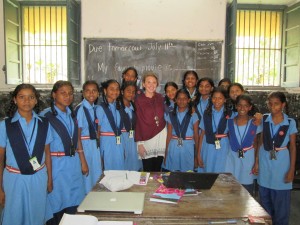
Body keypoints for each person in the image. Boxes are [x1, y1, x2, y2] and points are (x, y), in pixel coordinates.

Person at [0, 84, 53, 225]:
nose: (27, 101)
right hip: (14, 179)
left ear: (36, 100)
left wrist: (49, 179)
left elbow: (47, 154)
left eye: (31, 97)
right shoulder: (5, 125)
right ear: (15, 100)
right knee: (14, 215)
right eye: (22, 97)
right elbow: (0, 159)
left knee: (37, 214)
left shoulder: (44, 124)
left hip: (38, 177)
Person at [41, 80, 86, 225]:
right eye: (63, 93)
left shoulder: (71, 114)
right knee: (57, 202)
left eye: (70, 93)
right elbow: (43, 147)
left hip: (72, 163)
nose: (67, 96)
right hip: (56, 165)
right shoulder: (46, 117)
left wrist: (83, 161)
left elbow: (77, 138)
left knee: (74, 201)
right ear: (54, 95)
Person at [256, 91, 297, 225]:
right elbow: (260, 142)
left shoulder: (290, 122)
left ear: (283, 105)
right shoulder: (264, 120)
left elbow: (292, 147)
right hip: (265, 164)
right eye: (270, 103)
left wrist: (291, 170)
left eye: (276, 104)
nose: (273, 106)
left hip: (281, 166)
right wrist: (256, 163)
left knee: (281, 207)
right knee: (264, 207)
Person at [225, 94, 261, 195]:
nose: (242, 108)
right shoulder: (230, 122)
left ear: (250, 107)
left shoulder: (255, 123)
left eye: (245, 106)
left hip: (248, 160)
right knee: (231, 190)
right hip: (232, 159)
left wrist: (256, 162)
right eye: (240, 105)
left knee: (246, 192)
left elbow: (257, 143)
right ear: (236, 106)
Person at [135, 71, 166, 172]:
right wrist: (140, 144)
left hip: (161, 137)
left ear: (157, 84)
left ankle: (157, 188)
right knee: (147, 171)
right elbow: (138, 122)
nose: (151, 85)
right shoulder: (138, 100)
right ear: (143, 84)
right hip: (146, 140)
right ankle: (148, 188)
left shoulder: (160, 98)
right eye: (148, 82)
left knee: (157, 170)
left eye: (154, 82)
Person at [75, 80, 102, 194]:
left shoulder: (95, 108)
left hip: (93, 146)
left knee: (95, 177)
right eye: (88, 91)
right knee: (86, 177)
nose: (91, 94)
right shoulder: (80, 109)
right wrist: (82, 161)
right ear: (83, 93)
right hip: (84, 147)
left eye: (94, 91)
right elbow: (77, 136)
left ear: (98, 93)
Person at [197, 87, 232, 173]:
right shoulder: (206, 113)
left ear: (225, 100)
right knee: (207, 170)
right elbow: (202, 134)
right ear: (211, 98)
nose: (217, 100)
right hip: (207, 145)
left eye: (220, 98)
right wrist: (198, 154)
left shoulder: (230, 114)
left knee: (221, 172)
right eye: (214, 98)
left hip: (223, 146)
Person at [164, 89, 199, 172]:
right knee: (174, 174)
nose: (182, 101)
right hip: (173, 146)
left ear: (188, 100)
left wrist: (196, 156)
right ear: (175, 100)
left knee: (187, 174)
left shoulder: (193, 115)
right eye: (179, 98)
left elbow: (196, 136)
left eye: (184, 98)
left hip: (188, 147)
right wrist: (166, 154)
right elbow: (168, 135)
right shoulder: (171, 114)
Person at [96, 79, 125, 170]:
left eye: (117, 89)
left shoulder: (119, 106)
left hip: (118, 142)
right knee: (108, 170)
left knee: (119, 169)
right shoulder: (100, 108)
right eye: (111, 89)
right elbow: (98, 131)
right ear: (105, 91)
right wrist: (99, 151)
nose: (115, 92)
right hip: (107, 143)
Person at [120, 81, 142, 171]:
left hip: (133, 141)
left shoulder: (133, 106)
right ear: (122, 92)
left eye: (133, 92)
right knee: (124, 167)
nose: (131, 94)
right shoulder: (117, 107)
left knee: (134, 168)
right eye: (128, 91)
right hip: (123, 140)